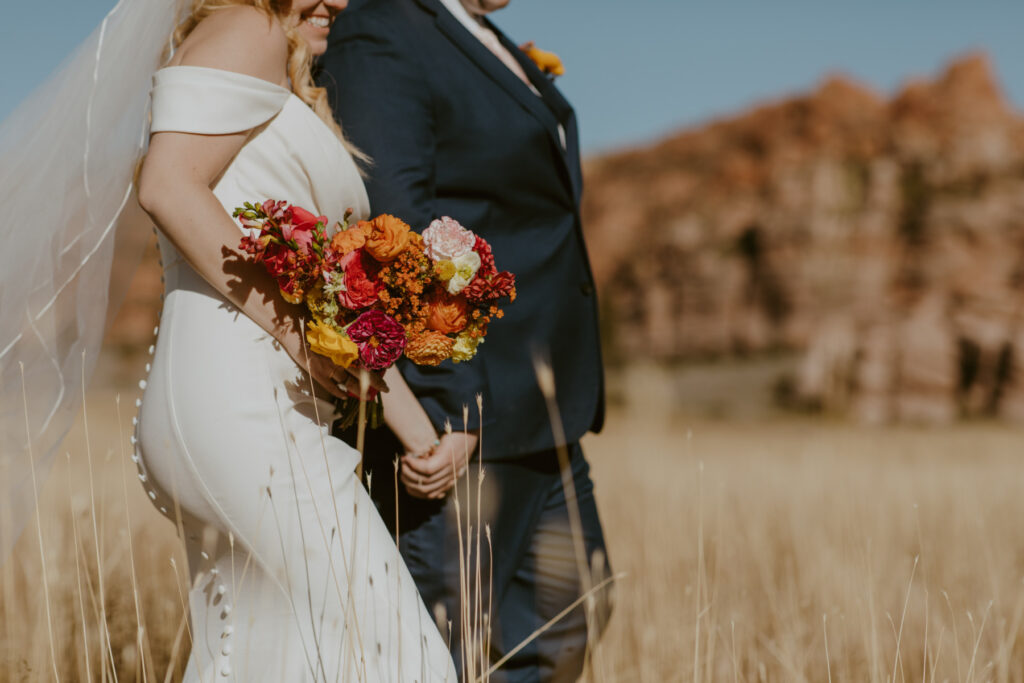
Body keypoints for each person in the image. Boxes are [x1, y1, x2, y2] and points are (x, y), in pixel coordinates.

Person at [0, 0, 457, 680]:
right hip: (239, 404)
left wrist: (420, 433)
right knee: (403, 659)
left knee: (276, 658)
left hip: (245, 404)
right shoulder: (250, 26)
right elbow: (167, 183)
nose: (340, 2)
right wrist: (303, 338)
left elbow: (337, 304)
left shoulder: (279, 65)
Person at [319, 0, 613, 679]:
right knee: (434, 651)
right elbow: (396, 217)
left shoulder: (479, 33)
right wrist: (448, 402)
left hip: (544, 409)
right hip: (468, 412)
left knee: (567, 622)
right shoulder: (381, 28)